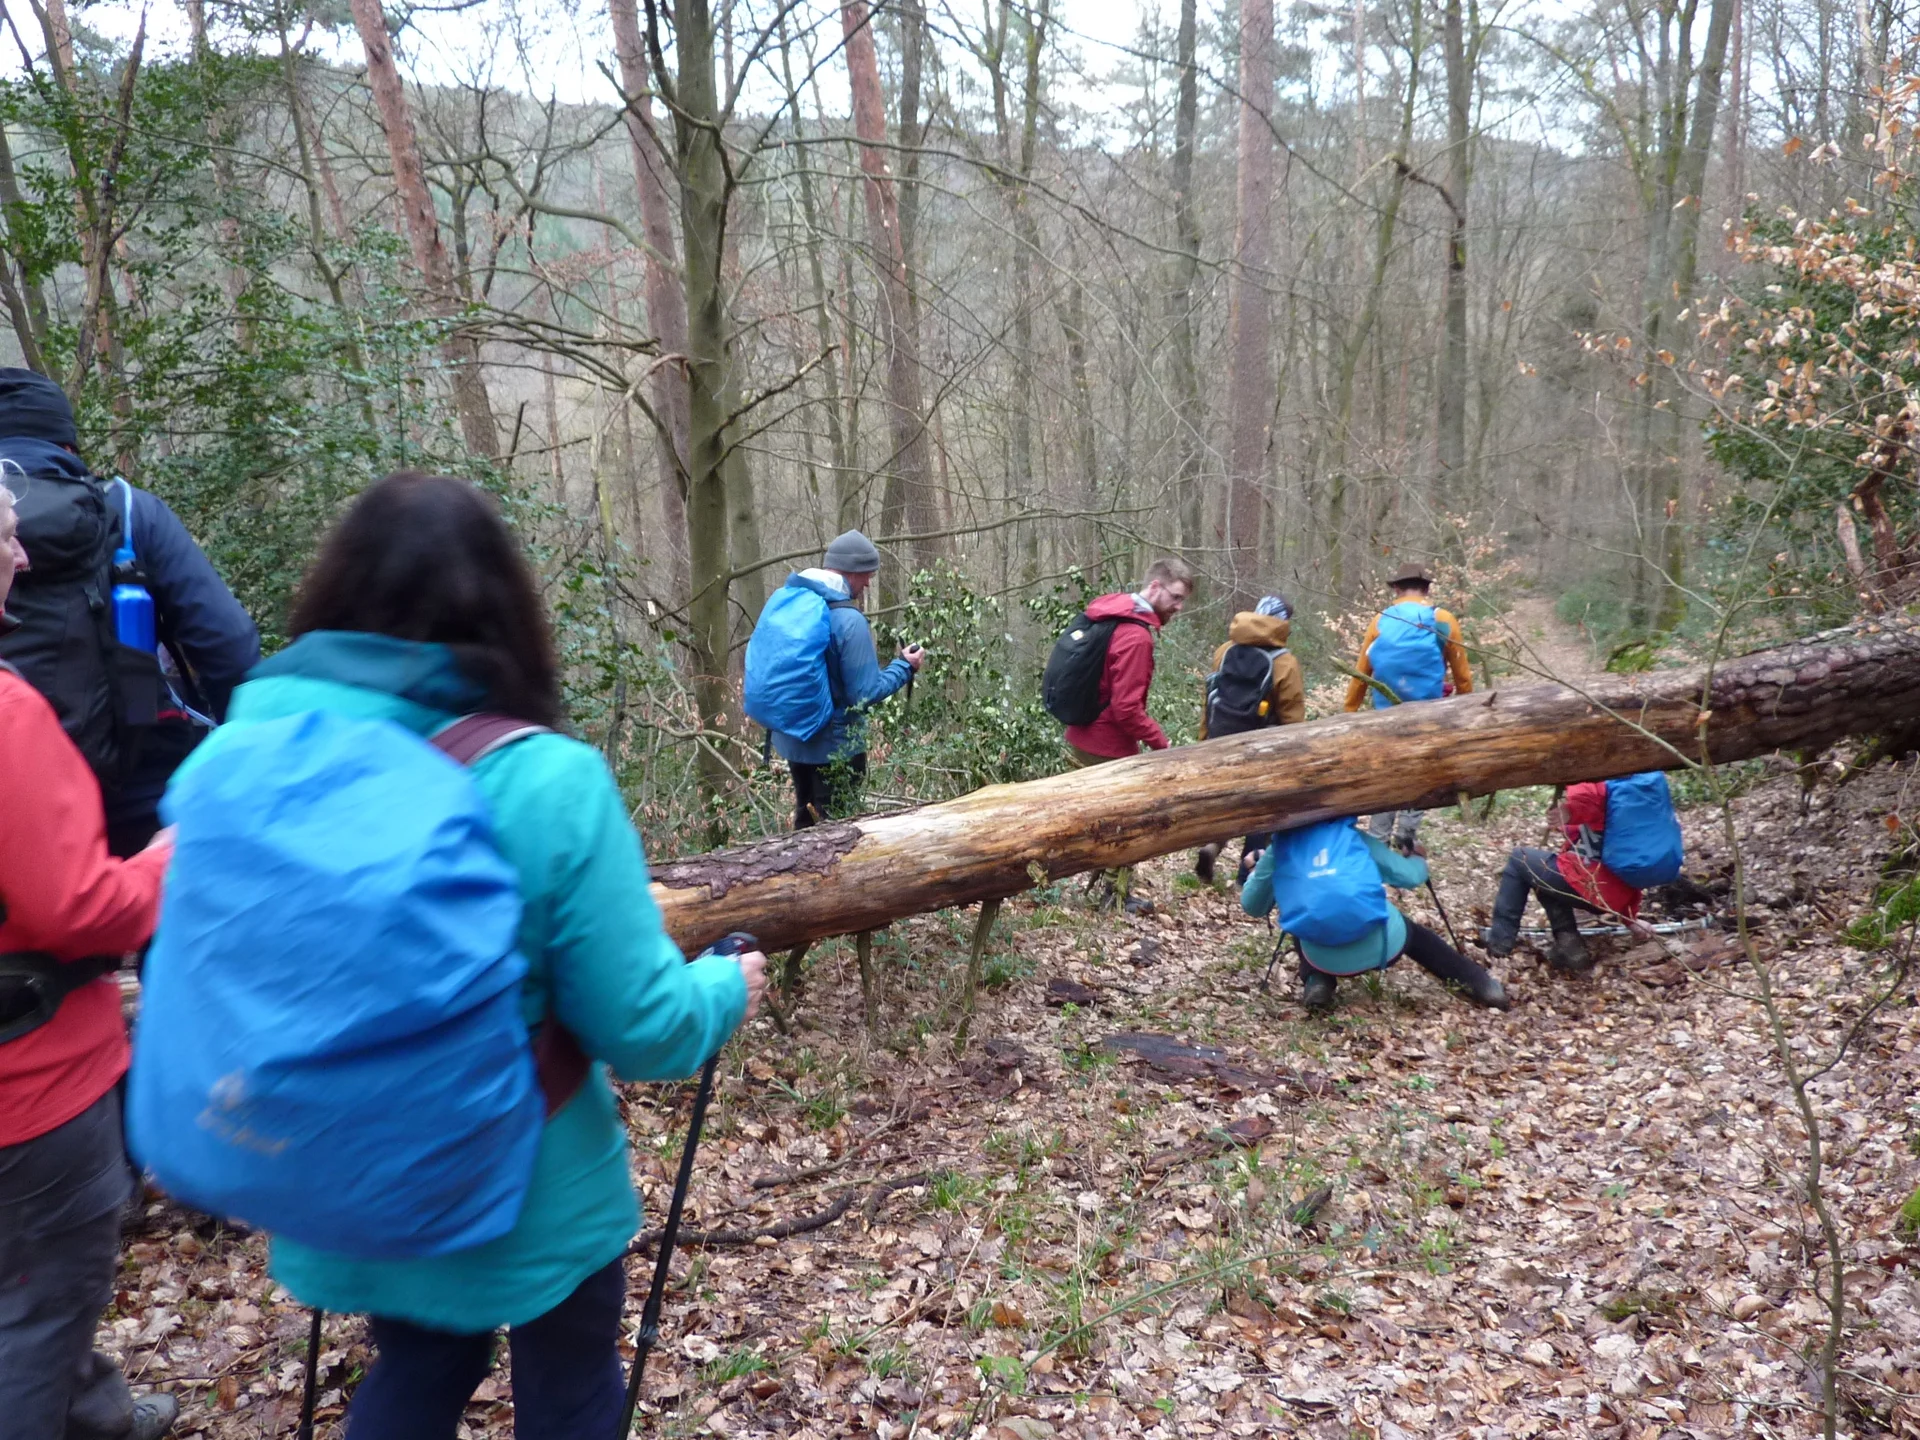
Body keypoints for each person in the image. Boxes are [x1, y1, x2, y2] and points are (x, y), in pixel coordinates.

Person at [167, 471, 765, 1439]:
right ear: (510, 613)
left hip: (345, 1172)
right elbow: (647, 1027)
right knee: (569, 1390)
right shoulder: (546, 782)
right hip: (529, 1188)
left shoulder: (252, 762)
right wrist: (724, 990)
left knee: (417, 1366)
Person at [0, 479, 179, 1440]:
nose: (22, 561)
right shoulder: (4, 718)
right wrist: (165, 860)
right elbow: (82, 908)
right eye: (7, 542)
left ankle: (95, 1413)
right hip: (30, 1081)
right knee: (39, 1300)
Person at [0, 368, 259, 856]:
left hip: (11, 816)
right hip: (138, 803)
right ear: (68, 447)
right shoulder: (128, 511)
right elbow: (231, 650)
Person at [1241, 818, 1509, 1014]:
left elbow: (1253, 906)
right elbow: (1411, 877)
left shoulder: (1278, 852)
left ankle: (1317, 980)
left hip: (1322, 956)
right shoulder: (1352, 837)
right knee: (1412, 933)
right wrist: (1417, 857)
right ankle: (1479, 983)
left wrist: (1258, 871)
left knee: (1306, 911)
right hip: (1384, 945)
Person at [757, 530, 924, 829]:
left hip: (795, 738)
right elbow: (864, 693)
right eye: (866, 575)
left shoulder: (794, 602)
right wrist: (904, 666)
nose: (868, 583)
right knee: (837, 828)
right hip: (838, 747)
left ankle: (795, 871)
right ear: (852, 572)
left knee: (806, 816)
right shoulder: (849, 620)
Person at [1059, 556, 1191, 913]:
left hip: (1081, 735)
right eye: (1175, 598)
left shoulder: (1112, 615)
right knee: (1125, 823)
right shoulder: (1135, 636)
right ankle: (1114, 898)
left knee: (1100, 819)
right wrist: (1162, 743)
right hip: (1106, 745)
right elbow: (1127, 709)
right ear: (1155, 587)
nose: (1178, 607)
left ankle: (1103, 888)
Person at [1342, 563, 1473, 852]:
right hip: (1430, 714)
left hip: (1386, 716)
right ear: (1427, 589)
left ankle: (1378, 837)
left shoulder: (1381, 619)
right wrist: (1468, 706)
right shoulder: (1444, 618)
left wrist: (1349, 711)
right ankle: (1407, 835)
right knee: (1423, 771)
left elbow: (1362, 671)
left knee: (1388, 771)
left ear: (1397, 589)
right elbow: (1462, 673)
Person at [1480, 780, 1656, 974]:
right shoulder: (1625, 794)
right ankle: (1570, 946)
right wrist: (1630, 918)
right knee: (1543, 872)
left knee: (1518, 859)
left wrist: (1570, 811)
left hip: (1590, 884)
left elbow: (1590, 800)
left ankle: (1498, 947)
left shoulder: (1591, 778)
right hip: (1612, 895)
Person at [1194, 593, 1306, 885]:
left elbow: (1210, 698)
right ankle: (1248, 877)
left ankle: (1213, 845)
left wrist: (1204, 739)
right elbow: (1292, 717)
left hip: (1221, 739)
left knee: (1227, 802)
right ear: (1283, 623)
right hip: (1262, 749)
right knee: (1262, 812)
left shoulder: (1224, 650)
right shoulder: (1285, 662)